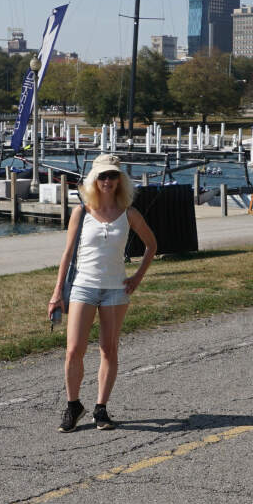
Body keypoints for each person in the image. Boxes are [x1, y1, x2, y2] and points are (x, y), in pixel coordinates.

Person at [50, 153, 158, 432]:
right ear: (93, 180)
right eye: (102, 176)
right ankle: (73, 405)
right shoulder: (82, 212)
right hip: (83, 287)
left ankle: (101, 408)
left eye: (112, 176)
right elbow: (67, 254)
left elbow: (152, 245)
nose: (107, 181)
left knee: (109, 349)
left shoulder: (129, 214)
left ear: (120, 181)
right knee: (74, 349)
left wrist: (137, 277)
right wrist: (57, 292)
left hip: (115, 291)